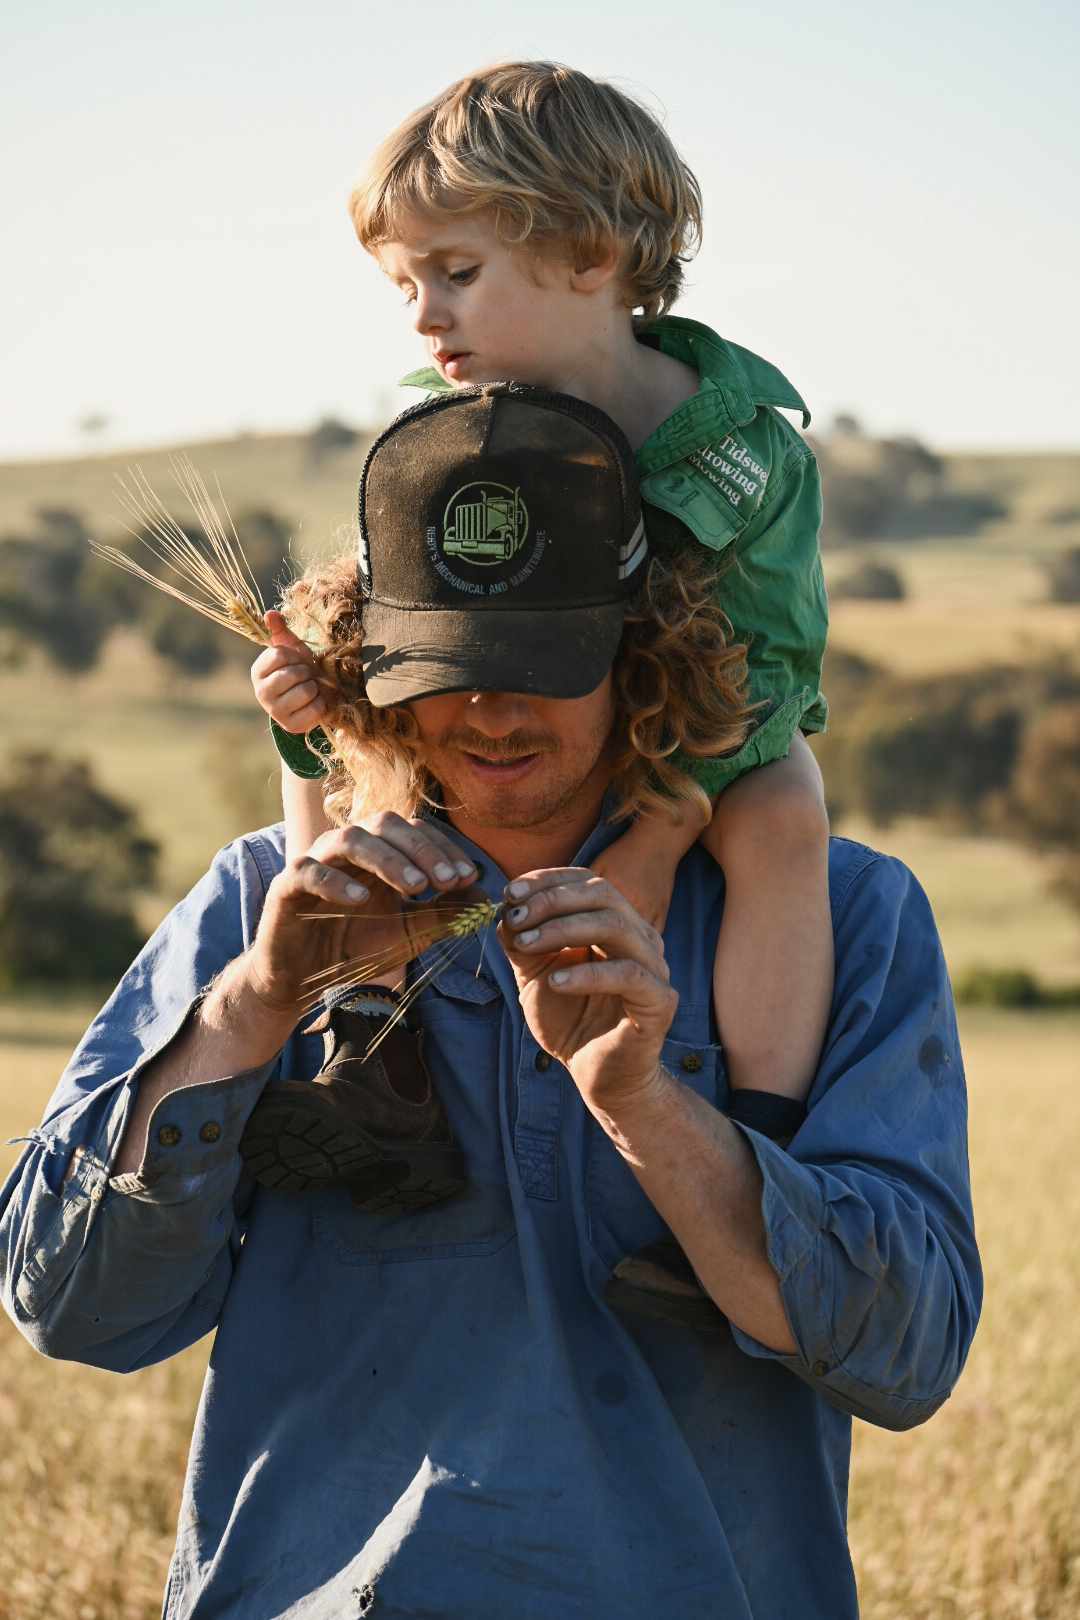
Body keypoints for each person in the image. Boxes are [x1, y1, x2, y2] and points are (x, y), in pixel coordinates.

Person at [2, 386, 981, 1620]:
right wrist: (256, 1004)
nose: (495, 712)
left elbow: (909, 1353)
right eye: (448, 669)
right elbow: (67, 1303)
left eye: (545, 664)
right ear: (368, 670)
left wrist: (644, 1105)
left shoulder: (841, 917)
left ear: (642, 652)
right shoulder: (261, 899)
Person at [253, 63, 833, 1217]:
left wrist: (667, 823)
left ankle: (763, 1147)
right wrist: (320, 681)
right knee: (330, 751)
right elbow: (398, 616)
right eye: (407, 284)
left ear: (590, 253)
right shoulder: (440, 427)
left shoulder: (742, 452)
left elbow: (778, 668)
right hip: (498, 726)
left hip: (695, 743)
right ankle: (364, 1049)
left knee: (788, 813)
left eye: (456, 274)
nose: (425, 315)